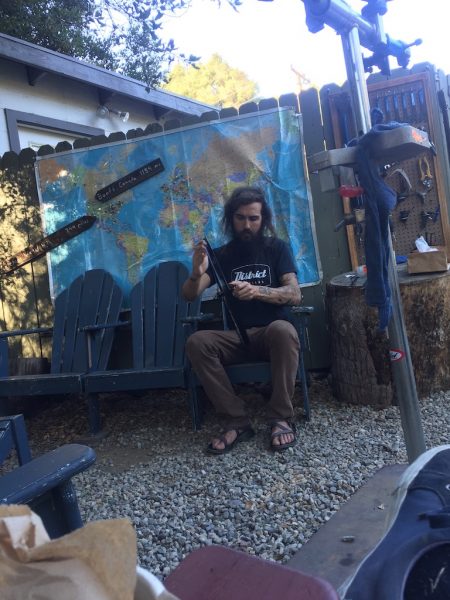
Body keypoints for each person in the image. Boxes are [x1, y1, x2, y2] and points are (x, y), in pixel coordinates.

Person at [182, 186, 302, 455]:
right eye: (240, 218)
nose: (246, 225)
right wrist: (195, 272)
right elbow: (190, 295)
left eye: (253, 218)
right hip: (236, 337)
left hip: (271, 333)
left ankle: (280, 417)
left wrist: (258, 290)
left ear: (263, 219)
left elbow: (294, 294)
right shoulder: (222, 256)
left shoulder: (277, 249)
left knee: (284, 330)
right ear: (230, 219)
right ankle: (236, 420)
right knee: (197, 342)